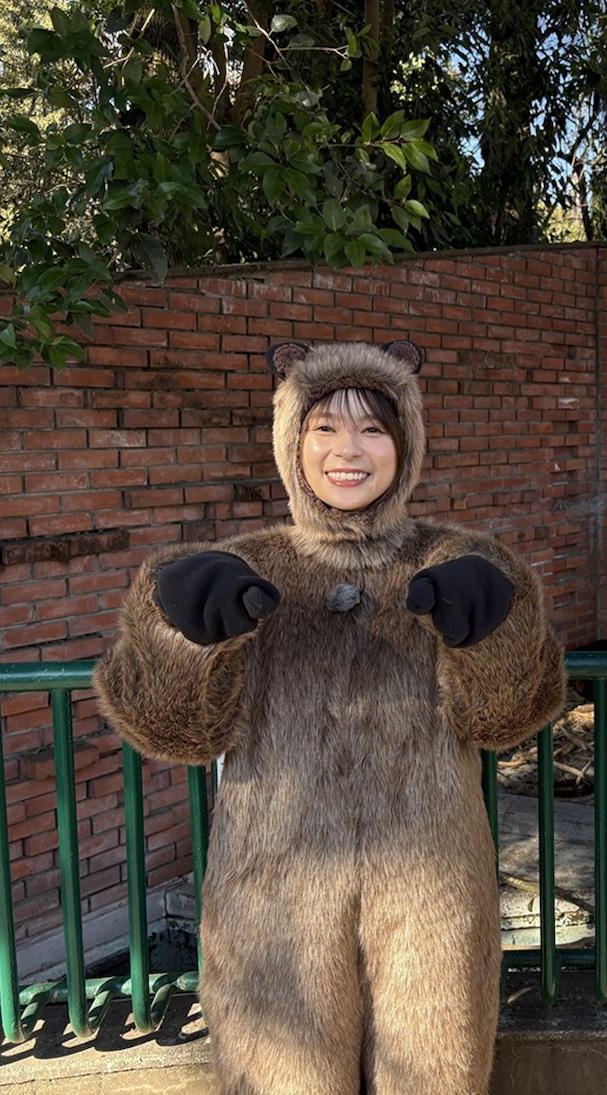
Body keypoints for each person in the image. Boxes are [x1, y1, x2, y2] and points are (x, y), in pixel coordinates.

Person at [94, 339, 566, 1095]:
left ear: (405, 445)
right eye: (325, 428)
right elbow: (173, 730)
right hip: (272, 891)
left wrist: (494, 635)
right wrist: (182, 638)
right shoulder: (243, 563)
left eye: (374, 428)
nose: (349, 450)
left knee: (437, 1075)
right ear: (292, 443)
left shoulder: (463, 557)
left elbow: (513, 713)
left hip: (433, 885)